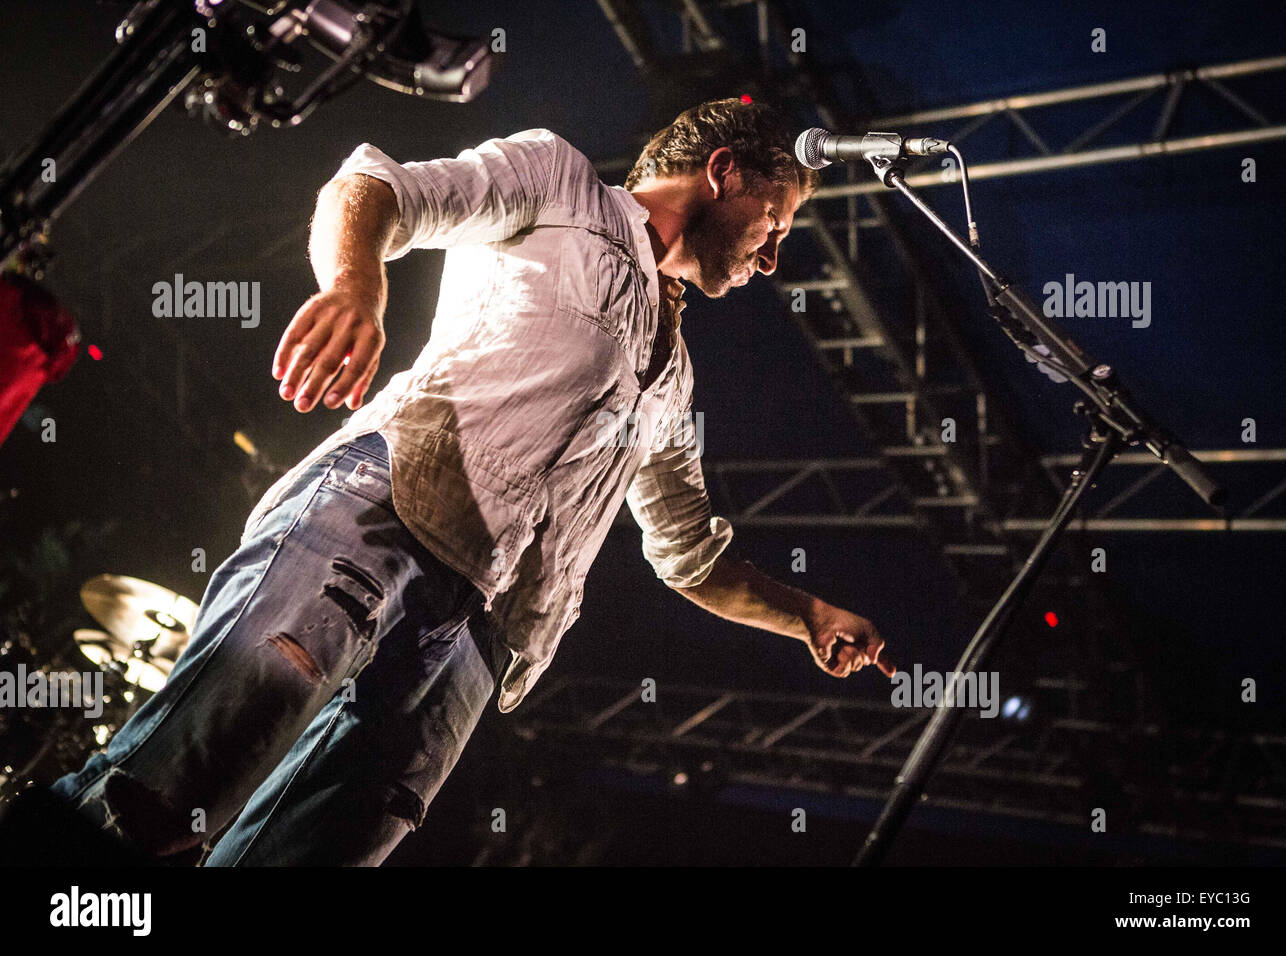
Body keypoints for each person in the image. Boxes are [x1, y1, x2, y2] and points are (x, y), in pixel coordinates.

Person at [48, 98, 895, 865]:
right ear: (723, 173)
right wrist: (355, 286)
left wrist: (808, 614)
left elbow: (690, 559)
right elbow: (374, 187)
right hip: (384, 519)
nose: (774, 255)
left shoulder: (673, 381)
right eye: (775, 222)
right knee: (163, 802)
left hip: (481, 642)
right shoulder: (561, 182)